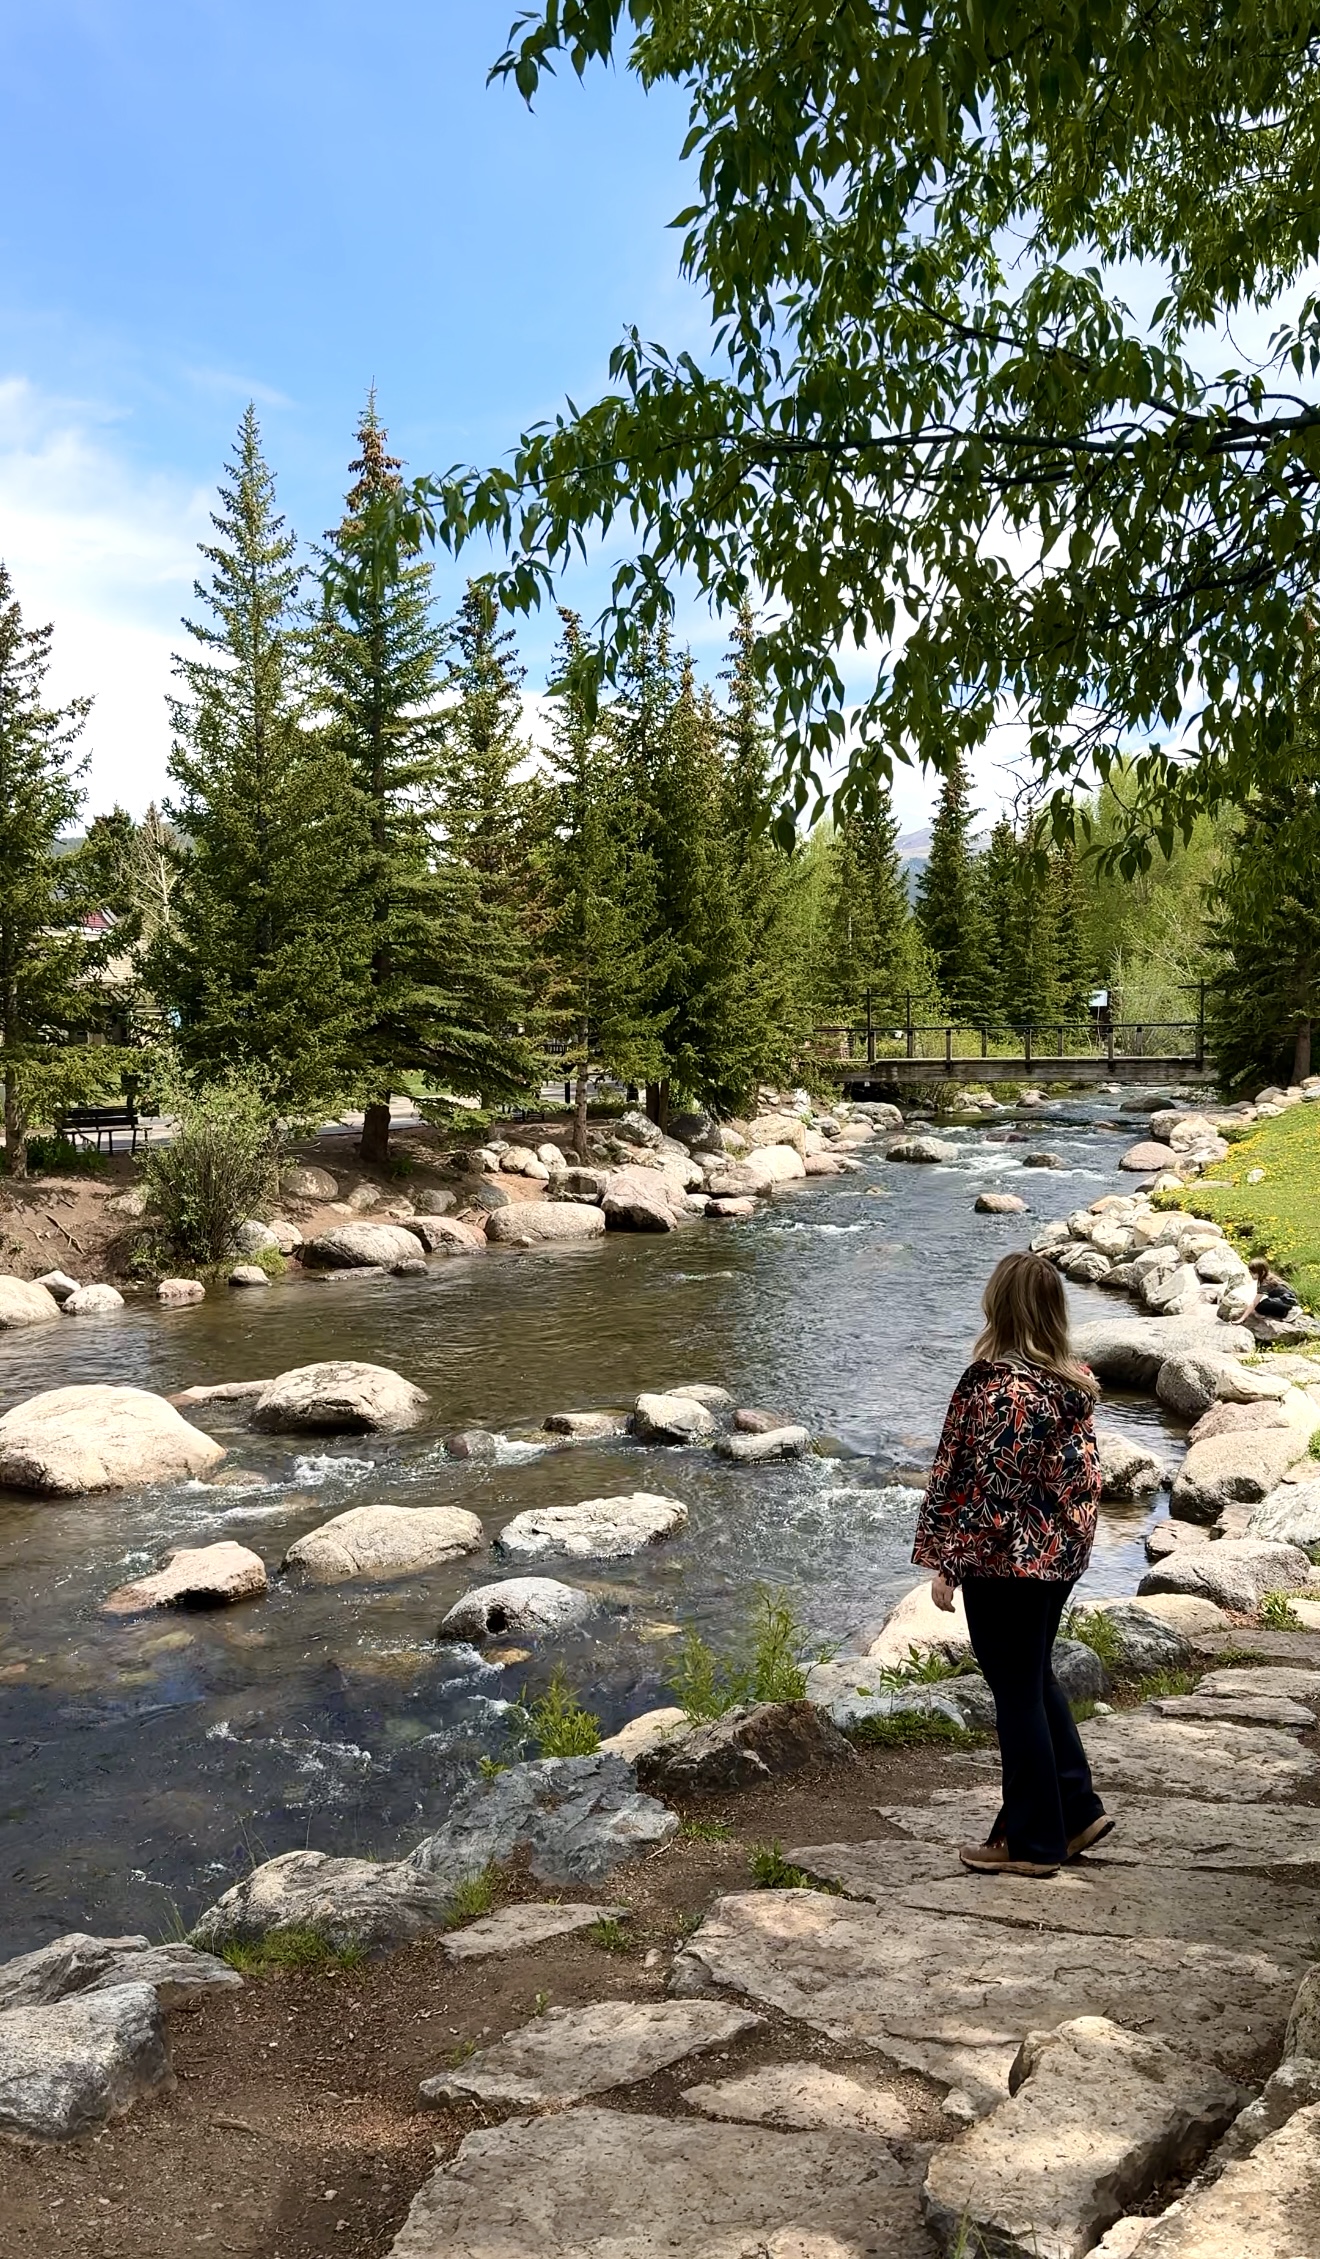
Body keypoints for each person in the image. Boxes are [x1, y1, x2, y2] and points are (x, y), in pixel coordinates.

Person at [912, 1249, 1111, 1878]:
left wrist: (950, 1562)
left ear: (996, 1304)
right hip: (1055, 1556)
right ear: (1053, 1310)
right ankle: (1075, 1809)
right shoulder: (1066, 1381)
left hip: (1009, 1562)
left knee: (1016, 1694)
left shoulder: (1005, 1392)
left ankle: (1031, 1840)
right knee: (1033, 1679)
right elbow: (1077, 1482)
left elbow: (994, 1493)